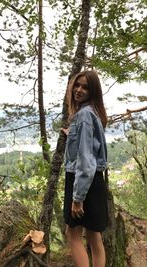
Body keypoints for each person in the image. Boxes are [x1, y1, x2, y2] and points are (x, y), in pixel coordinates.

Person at [61, 70, 108, 267]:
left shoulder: (84, 116)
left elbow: (86, 159)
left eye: (85, 87)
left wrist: (77, 198)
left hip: (82, 180)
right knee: (94, 236)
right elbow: (89, 145)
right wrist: (72, 134)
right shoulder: (92, 113)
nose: (79, 90)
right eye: (77, 85)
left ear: (93, 91)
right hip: (95, 180)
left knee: (72, 233)